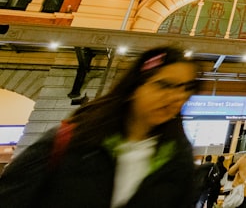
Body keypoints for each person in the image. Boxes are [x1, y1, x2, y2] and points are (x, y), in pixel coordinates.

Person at [0, 45, 199, 207]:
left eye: (185, 89)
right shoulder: (70, 140)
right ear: (135, 87)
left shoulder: (177, 157)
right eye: (164, 85)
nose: (175, 97)